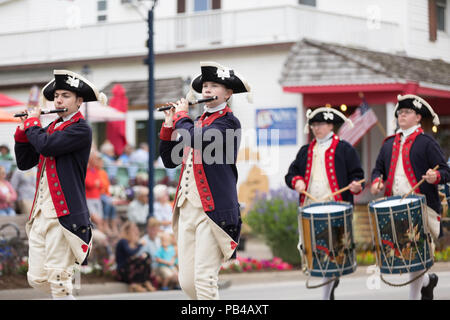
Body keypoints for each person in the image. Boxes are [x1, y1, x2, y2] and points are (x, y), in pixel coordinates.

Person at [159, 61, 251, 299]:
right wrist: (169, 125)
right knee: (187, 283)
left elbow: (197, 139)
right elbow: (170, 160)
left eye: (214, 86)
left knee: (204, 278)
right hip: (187, 208)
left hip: (213, 211)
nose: (207, 90)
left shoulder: (229, 122)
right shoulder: (197, 123)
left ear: (228, 94)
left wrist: (181, 117)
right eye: (205, 86)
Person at [14, 69, 107, 299]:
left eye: (65, 95)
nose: (58, 99)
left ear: (79, 101)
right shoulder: (51, 128)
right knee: (36, 278)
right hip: (40, 213)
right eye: (56, 95)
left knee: (58, 276)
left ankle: (64, 286)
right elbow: (25, 162)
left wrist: (33, 124)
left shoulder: (80, 129)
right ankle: (66, 290)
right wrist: (22, 131)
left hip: (63, 213)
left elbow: (47, 146)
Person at [370, 94, 450, 300]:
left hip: (420, 208)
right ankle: (427, 282)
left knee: (415, 256)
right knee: (403, 257)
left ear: (417, 117)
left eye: (407, 112)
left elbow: (445, 171)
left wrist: (435, 176)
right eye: (400, 112)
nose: (402, 115)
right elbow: (378, 169)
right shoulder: (388, 144)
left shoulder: (426, 143)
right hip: (393, 208)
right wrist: (377, 181)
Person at [285, 107, 364, 300]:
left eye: (320, 124)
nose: (315, 128)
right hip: (309, 209)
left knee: (330, 253)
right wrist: (297, 181)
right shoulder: (305, 151)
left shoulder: (345, 149)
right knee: (315, 251)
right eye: (313, 124)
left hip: (336, 209)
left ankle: (326, 295)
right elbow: (290, 174)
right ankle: (328, 287)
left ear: (330, 125)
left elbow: (358, 177)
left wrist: (355, 186)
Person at [115, 221, 156, 292]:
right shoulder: (123, 241)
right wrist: (140, 245)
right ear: (128, 232)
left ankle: (145, 281)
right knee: (142, 260)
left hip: (129, 268)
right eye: (134, 231)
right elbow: (130, 253)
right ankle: (136, 284)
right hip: (122, 271)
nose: (136, 233)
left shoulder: (129, 242)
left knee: (146, 256)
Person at [95, 153, 119, 237]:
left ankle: (113, 224)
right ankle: (105, 224)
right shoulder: (94, 171)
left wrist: (109, 196)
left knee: (112, 203)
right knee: (108, 203)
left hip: (104, 195)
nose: (101, 163)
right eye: (99, 161)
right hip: (98, 195)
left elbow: (107, 186)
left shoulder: (103, 172)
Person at [85, 151, 105, 233]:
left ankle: (102, 236)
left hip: (97, 198)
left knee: (100, 219)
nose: (97, 161)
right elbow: (88, 183)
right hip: (89, 198)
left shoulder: (95, 171)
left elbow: (101, 184)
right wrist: (95, 183)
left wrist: (95, 183)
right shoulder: (86, 169)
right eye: (95, 159)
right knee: (96, 219)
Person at [138, 217, 162, 283]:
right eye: (152, 229)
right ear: (148, 229)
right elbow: (142, 258)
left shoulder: (158, 239)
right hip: (150, 268)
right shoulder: (143, 241)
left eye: (156, 229)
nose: (154, 232)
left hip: (161, 265)